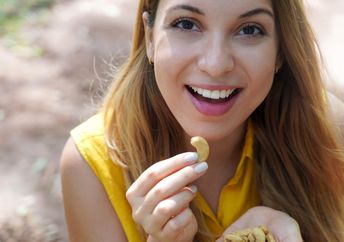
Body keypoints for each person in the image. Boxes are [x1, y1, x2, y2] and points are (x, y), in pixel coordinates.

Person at [60, 0, 344, 241]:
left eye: (249, 30)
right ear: (149, 37)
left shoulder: (328, 128)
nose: (216, 64)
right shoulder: (90, 164)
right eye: (186, 24)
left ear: (280, 51)